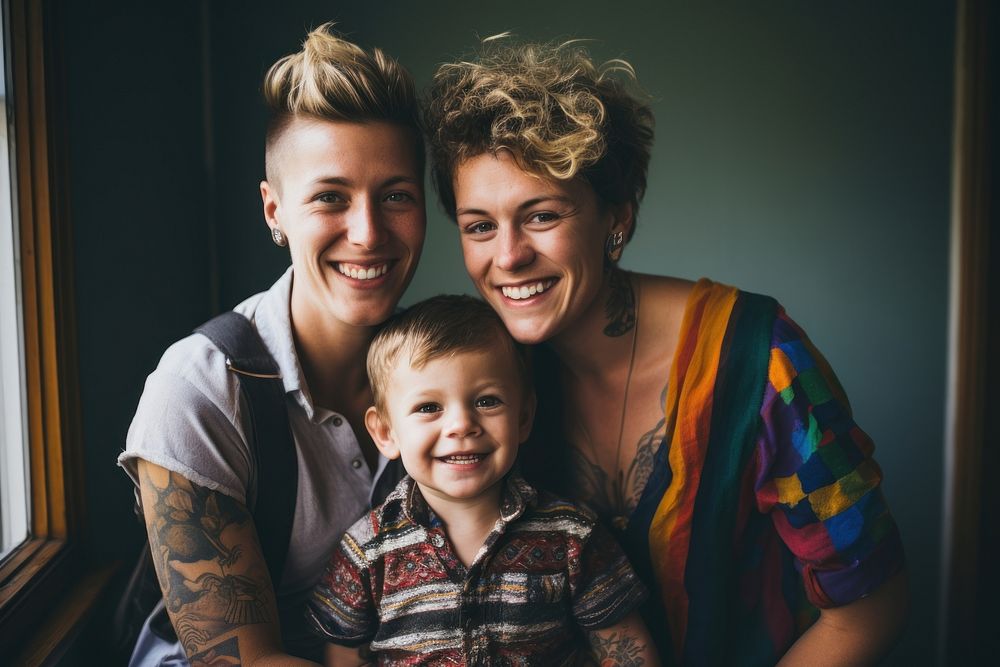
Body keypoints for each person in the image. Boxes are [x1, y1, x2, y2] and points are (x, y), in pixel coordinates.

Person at [424, 38, 908, 665]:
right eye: (479, 226)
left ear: (616, 218)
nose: (508, 256)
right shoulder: (476, 377)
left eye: (541, 216)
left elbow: (873, 606)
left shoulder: (760, 360)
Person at [117, 24, 425, 666]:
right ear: (273, 211)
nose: (367, 233)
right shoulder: (199, 388)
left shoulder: (444, 367)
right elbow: (242, 661)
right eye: (329, 198)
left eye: (395, 195)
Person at [306, 295, 659, 666]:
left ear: (523, 418)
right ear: (386, 432)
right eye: (429, 408)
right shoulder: (366, 552)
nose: (461, 425)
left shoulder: (573, 536)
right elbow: (344, 655)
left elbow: (626, 648)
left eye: (487, 401)